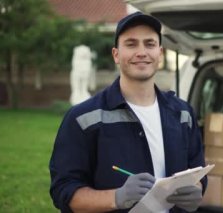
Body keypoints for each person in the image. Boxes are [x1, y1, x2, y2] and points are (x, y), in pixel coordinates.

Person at [49, 12, 207, 213]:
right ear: (116, 54)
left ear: (160, 53)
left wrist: (197, 191)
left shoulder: (183, 114)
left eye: (149, 44)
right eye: (131, 44)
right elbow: (64, 191)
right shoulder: (83, 118)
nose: (142, 52)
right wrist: (115, 197)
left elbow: (197, 174)